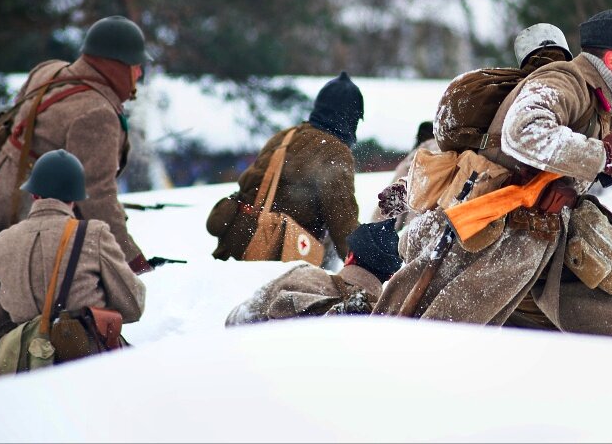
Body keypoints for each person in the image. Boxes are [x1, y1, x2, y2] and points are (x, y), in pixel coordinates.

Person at [373, 0, 612, 344]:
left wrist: (597, 173)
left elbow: (551, 160)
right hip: (486, 233)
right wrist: (601, 154)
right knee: (424, 339)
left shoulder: (596, 101)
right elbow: (525, 132)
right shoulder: (566, 81)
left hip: (516, 241)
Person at [0, 15, 154, 274]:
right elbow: (97, 196)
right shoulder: (97, 113)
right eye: (135, 65)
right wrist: (131, 259)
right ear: (116, 65)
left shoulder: (49, 71)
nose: (138, 73)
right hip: (27, 211)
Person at [371, 22, 575, 227]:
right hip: (531, 192)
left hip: (478, 183)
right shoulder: (571, 92)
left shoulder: (505, 89)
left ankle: (413, 189)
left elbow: (453, 158)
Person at [0, 150, 146, 346]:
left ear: (33, 194)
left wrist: (28, 328)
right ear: (75, 198)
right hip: (86, 357)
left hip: (24, 368)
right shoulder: (93, 234)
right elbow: (132, 304)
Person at [208, 72, 363, 267]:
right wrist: (363, 268)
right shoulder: (335, 152)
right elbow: (342, 222)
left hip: (237, 243)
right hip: (278, 257)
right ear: (352, 118)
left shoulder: (286, 136)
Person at [225, 219, 403, 326]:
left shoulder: (304, 276)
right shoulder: (388, 318)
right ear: (390, 276)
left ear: (349, 256)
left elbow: (235, 320)